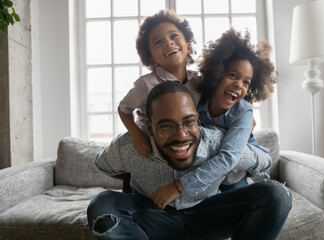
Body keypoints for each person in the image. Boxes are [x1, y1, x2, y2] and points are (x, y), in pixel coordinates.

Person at [87, 81, 292, 240]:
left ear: (197, 119)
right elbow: (102, 164)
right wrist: (133, 176)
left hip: (209, 214)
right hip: (155, 216)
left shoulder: (217, 143)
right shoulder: (128, 147)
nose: (181, 136)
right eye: (166, 126)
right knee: (102, 203)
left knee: (277, 194)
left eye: (188, 122)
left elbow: (264, 161)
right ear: (149, 128)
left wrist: (242, 141)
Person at [151, 28, 277, 207]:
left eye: (246, 82)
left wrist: (178, 186)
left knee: (232, 216)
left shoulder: (243, 112)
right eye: (232, 75)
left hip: (235, 175)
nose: (238, 85)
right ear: (217, 73)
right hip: (209, 175)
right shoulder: (197, 101)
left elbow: (228, 158)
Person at [118, 9, 201, 157]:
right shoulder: (146, 84)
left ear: (188, 47)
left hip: (185, 144)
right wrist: (137, 136)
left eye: (174, 36)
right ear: (152, 60)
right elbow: (123, 109)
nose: (169, 42)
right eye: (158, 42)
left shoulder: (199, 81)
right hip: (153, 146)